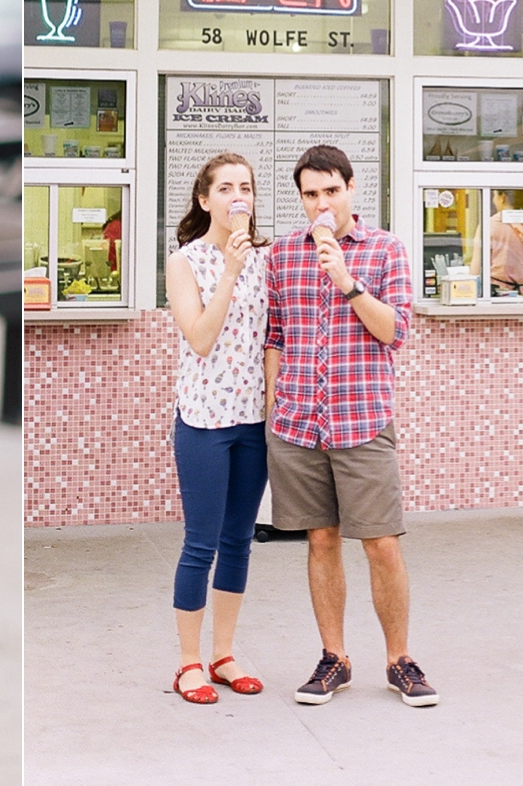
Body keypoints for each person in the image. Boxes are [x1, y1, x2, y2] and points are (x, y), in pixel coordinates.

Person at [263, 144, 438, 709]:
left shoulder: (385, 249)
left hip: (362, 420)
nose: (321, 203)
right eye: (310, 194)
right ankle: (333, 658)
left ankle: (400, 660)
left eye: (330, 191)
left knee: (382, 544)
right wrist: (273, 410)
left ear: (351, 188)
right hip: (298, 422)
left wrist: (346, 279)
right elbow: (275, 337)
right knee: (320, 539)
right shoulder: (283, 254)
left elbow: (395, 332)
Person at [162, 152, 271, 704]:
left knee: (239, 542)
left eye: (245, 187)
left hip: (254, 421)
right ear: (205, 200)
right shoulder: (185, 262)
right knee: (201, 542)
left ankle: (223, 654)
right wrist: (229, 269)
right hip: (204, 420)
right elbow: (201, 338)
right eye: (225, 187)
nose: (237, 197)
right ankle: (188, 663)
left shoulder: (265, 262)